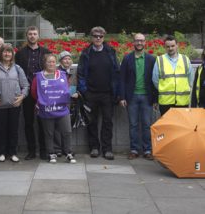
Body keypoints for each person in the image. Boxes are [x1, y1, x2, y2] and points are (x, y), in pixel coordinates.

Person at [77, 26, 120, 160]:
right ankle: (94, 147)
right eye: (95, 36)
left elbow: (116, 72)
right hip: (91, 94)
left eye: (100, 36)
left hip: (107, 93)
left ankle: (107, 149)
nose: (98, 38)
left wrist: (116, 92)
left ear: (103, 37)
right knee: (92, 122)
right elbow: (81, 73)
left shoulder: (110, 52)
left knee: (108, 122)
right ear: (91, 37)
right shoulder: (86, 53)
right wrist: (84, 91)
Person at [0, 43, 29, 163]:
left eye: (9, 51)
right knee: (0, 130)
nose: (7, 54)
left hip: (15, 104)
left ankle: (12, 152)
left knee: (13, 130)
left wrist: (22, 96)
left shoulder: (18, 68)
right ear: (1, 54)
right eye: (5, 51)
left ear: (13, 54)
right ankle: (1, 152)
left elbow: (26, 85)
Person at [31, 54, 76, 164]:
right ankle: (51, 153)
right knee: (49, 133)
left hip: (62, 108)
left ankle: (68, 153)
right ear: (44, 63)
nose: (51, 64)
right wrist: (40, 101)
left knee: (67, 131)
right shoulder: (38, 76)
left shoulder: (62, 74)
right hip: (46, 109)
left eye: (53, 62)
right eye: (48, 62)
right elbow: (34, 92)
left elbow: (67, 88)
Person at [120, 33, 157, 160]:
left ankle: (147, 150)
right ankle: (134, 149)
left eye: (141, 41)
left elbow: (156, 80)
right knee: (133, 125)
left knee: (147, 124)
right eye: (137, 41)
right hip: (132, 97)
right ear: (133, 43)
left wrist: (155, 99)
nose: (139, 43)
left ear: (145, 42)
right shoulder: (127, 59)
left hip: (147, 97)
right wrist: (122, 97)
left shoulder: (152, 59)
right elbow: (122, 79)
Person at [15, 26, 50, 160]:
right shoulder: (20, 53)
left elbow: (51, 69)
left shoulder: (46, 52)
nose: (32, 36)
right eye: (30, 34)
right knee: (28, 122)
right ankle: (31, 150)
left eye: (34, 34)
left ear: (38, 36)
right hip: (27, 91)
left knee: (43, 122)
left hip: (43, 91)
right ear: (27, 36)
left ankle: (43, 150)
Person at [152, 35, 193, 115]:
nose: (170, 48)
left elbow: (190, 79)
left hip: (182, 101)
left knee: (182, 126)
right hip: (165, 102)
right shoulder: (160, 60)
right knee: (167, 127)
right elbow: (155, 80)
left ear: (177, 45)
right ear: (165, 47)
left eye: (172, 46)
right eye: (168, 46)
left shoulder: (185, 59)